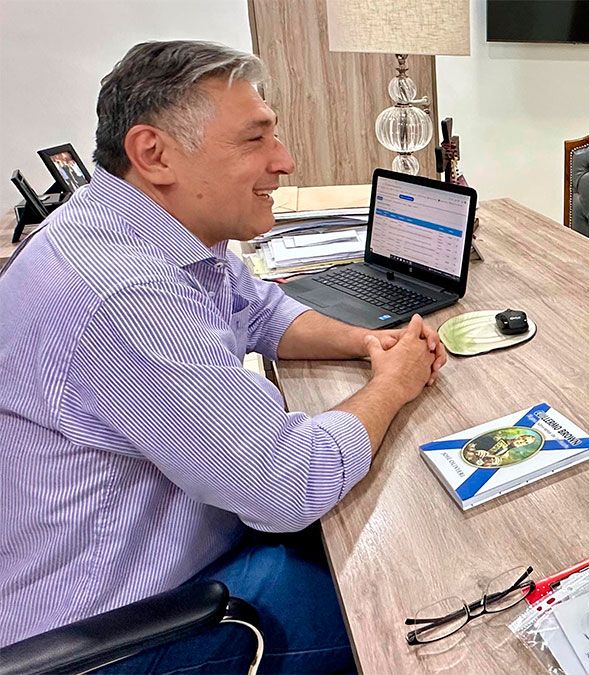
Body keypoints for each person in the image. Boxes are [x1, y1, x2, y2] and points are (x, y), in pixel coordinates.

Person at [0, 41, 448, 671]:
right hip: (118, 631)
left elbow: (260, 310)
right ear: (154, 154)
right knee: (424, 607)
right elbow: (292, 482)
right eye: (254, 139)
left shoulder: (136, 226)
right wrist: (394, 384)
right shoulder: (125, 295)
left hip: (172, 557)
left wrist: (368, 342)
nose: (284, 160)